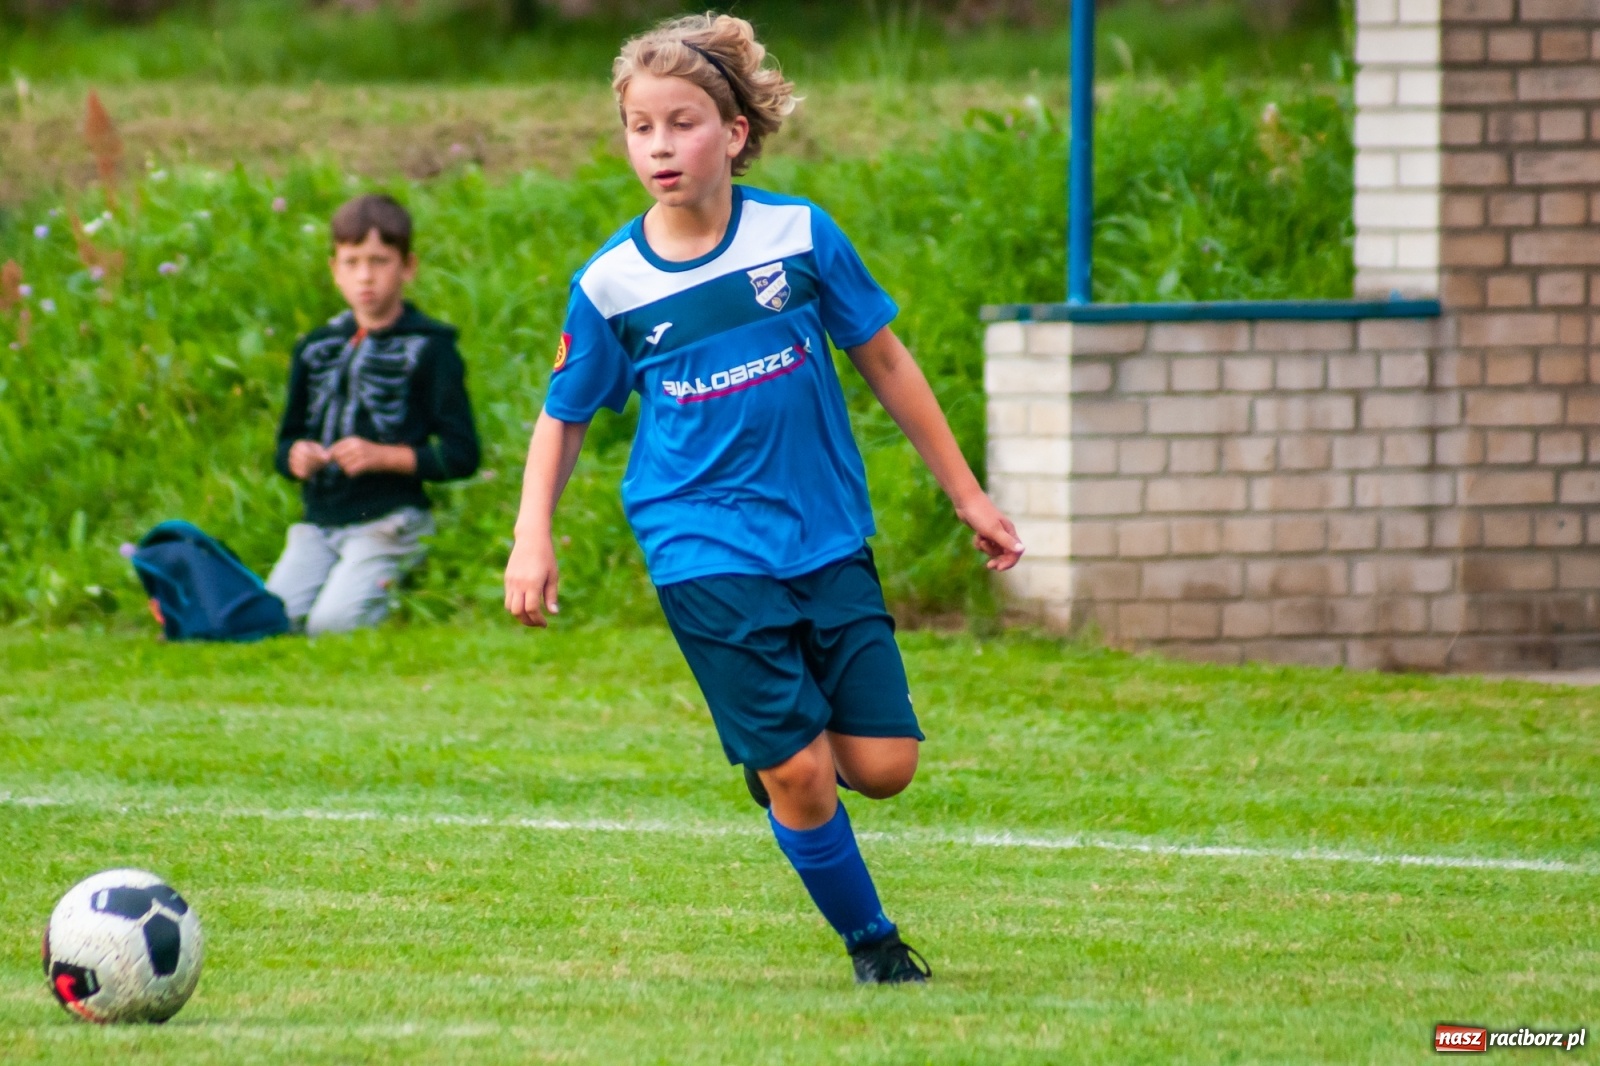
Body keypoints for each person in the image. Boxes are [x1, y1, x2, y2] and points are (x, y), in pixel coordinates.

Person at [502, 14, 1024, 985]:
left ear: (735, 132)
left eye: (683, 122)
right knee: (806, 772)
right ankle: (874, 943)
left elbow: (883, 357)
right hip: (698, 540)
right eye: (640, 126)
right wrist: (533, 534)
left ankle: (775, 757)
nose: (659, 145)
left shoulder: (798, 236)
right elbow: (562, 414)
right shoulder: (612, 284)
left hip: (822, 532)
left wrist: (967, 494)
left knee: (884, 767)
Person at [268, 194, 480, 635]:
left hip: (390, 523)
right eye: (351, 261)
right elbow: (284, 444)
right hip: (317, 525)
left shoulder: (432, 347)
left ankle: (397, 589)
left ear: (407, 267)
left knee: (330, 626)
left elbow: (462, 454)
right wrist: (296, 457)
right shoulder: (314, 348)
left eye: (380, 261)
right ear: (334, 269)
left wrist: (383, 457)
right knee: (271, 619)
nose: (365, 276)